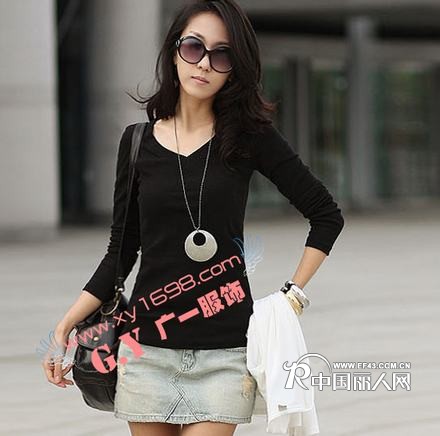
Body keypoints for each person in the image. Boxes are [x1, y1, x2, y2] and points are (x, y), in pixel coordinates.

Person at [42, 1, 344, 435]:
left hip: (225, 354)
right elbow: (121, 251)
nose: (204, 63)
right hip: (145, 351)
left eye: (221, 55)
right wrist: (66, 324)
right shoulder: (137, 143)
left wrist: (292, 297)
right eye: (193, 47)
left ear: (234, 70)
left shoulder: (250, 138)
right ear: (174, 52)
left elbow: (325, 215)